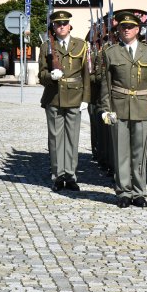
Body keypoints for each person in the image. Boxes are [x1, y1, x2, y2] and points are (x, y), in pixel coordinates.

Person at [99, 11, 147, 208]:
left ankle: (139, 192)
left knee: (140, 152)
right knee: (121, 152)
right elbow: (105, 84)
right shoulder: (110, 52)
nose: (126, 30)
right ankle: (124, 192)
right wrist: (105, 108)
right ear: (118, 30)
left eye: (130, 27)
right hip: (118, 107)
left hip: (142, 107)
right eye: (122, 27)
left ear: (138, 30)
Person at [38, 10, 91, 192]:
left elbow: (86, 74)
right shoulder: (46, 47)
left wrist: (86, 98)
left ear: (69, 26)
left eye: (64, 23)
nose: (61, 26)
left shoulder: (81, 46)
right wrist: (50, 76)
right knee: (55, 139)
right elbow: (41, 74)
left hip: (75, 97)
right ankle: (58, 175)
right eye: (57, 24)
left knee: (72, 138)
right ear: (53, 27)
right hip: (54, 98)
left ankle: (71, 175)